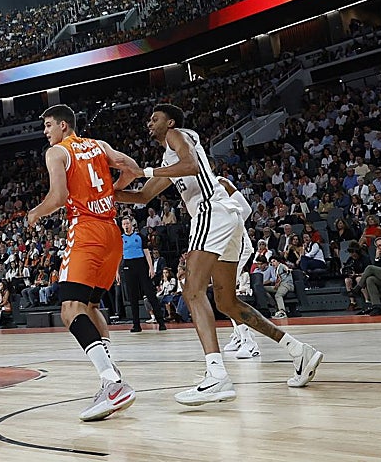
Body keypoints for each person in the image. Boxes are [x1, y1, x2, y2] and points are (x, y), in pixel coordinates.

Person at [118, 104, 322, 407]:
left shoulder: (178, 136)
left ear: (170, 122)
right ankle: (298, 350)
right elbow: (143, 196)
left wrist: (142, 171)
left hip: (210, 211)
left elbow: (191, 166)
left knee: (192, 290)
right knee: (226, 301)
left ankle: (216, 376)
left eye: (155, 118)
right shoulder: (169, 158)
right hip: (226, 217)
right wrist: (104, 193)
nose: (150, 123)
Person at [24, 104, 142, 422]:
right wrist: (111, 191)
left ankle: (112, 383)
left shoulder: (58, 153)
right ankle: (111, 373)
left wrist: (35, 212)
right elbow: (132, 168)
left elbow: (59, 197)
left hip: (87, 231)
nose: (45, 131)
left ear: (64, 126)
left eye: (48, 125)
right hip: (111, 233)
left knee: (70, 310)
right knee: (90, 306)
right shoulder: (99, 146)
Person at [118, 214, 167, 332]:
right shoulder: (120, 239)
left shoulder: (139, 236)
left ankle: (161, 322)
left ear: (132, 224)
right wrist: (117, 272)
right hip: (128, 266)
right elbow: (118, 256)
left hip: (140, 265)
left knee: (150, 294)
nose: (126, 226)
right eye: (124, 224)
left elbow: (146, 253)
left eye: (127, 224)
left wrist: (151, 268)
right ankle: (136, 325)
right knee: (132, 296)